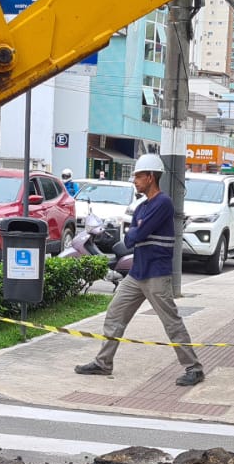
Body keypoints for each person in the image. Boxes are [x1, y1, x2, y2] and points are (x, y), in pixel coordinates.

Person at [74, 153, 205, 387]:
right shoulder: (142, 206)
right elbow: (131, 234)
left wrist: (137, 230)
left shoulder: (162, 203)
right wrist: (136, 230)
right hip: (137, 273)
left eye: (138, 176)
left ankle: (194, 368)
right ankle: (103, 363)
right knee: (115, 313)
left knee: (171, 322)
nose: (134, 180)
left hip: (156, 274)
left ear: (151, 177)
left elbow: (136, 235)